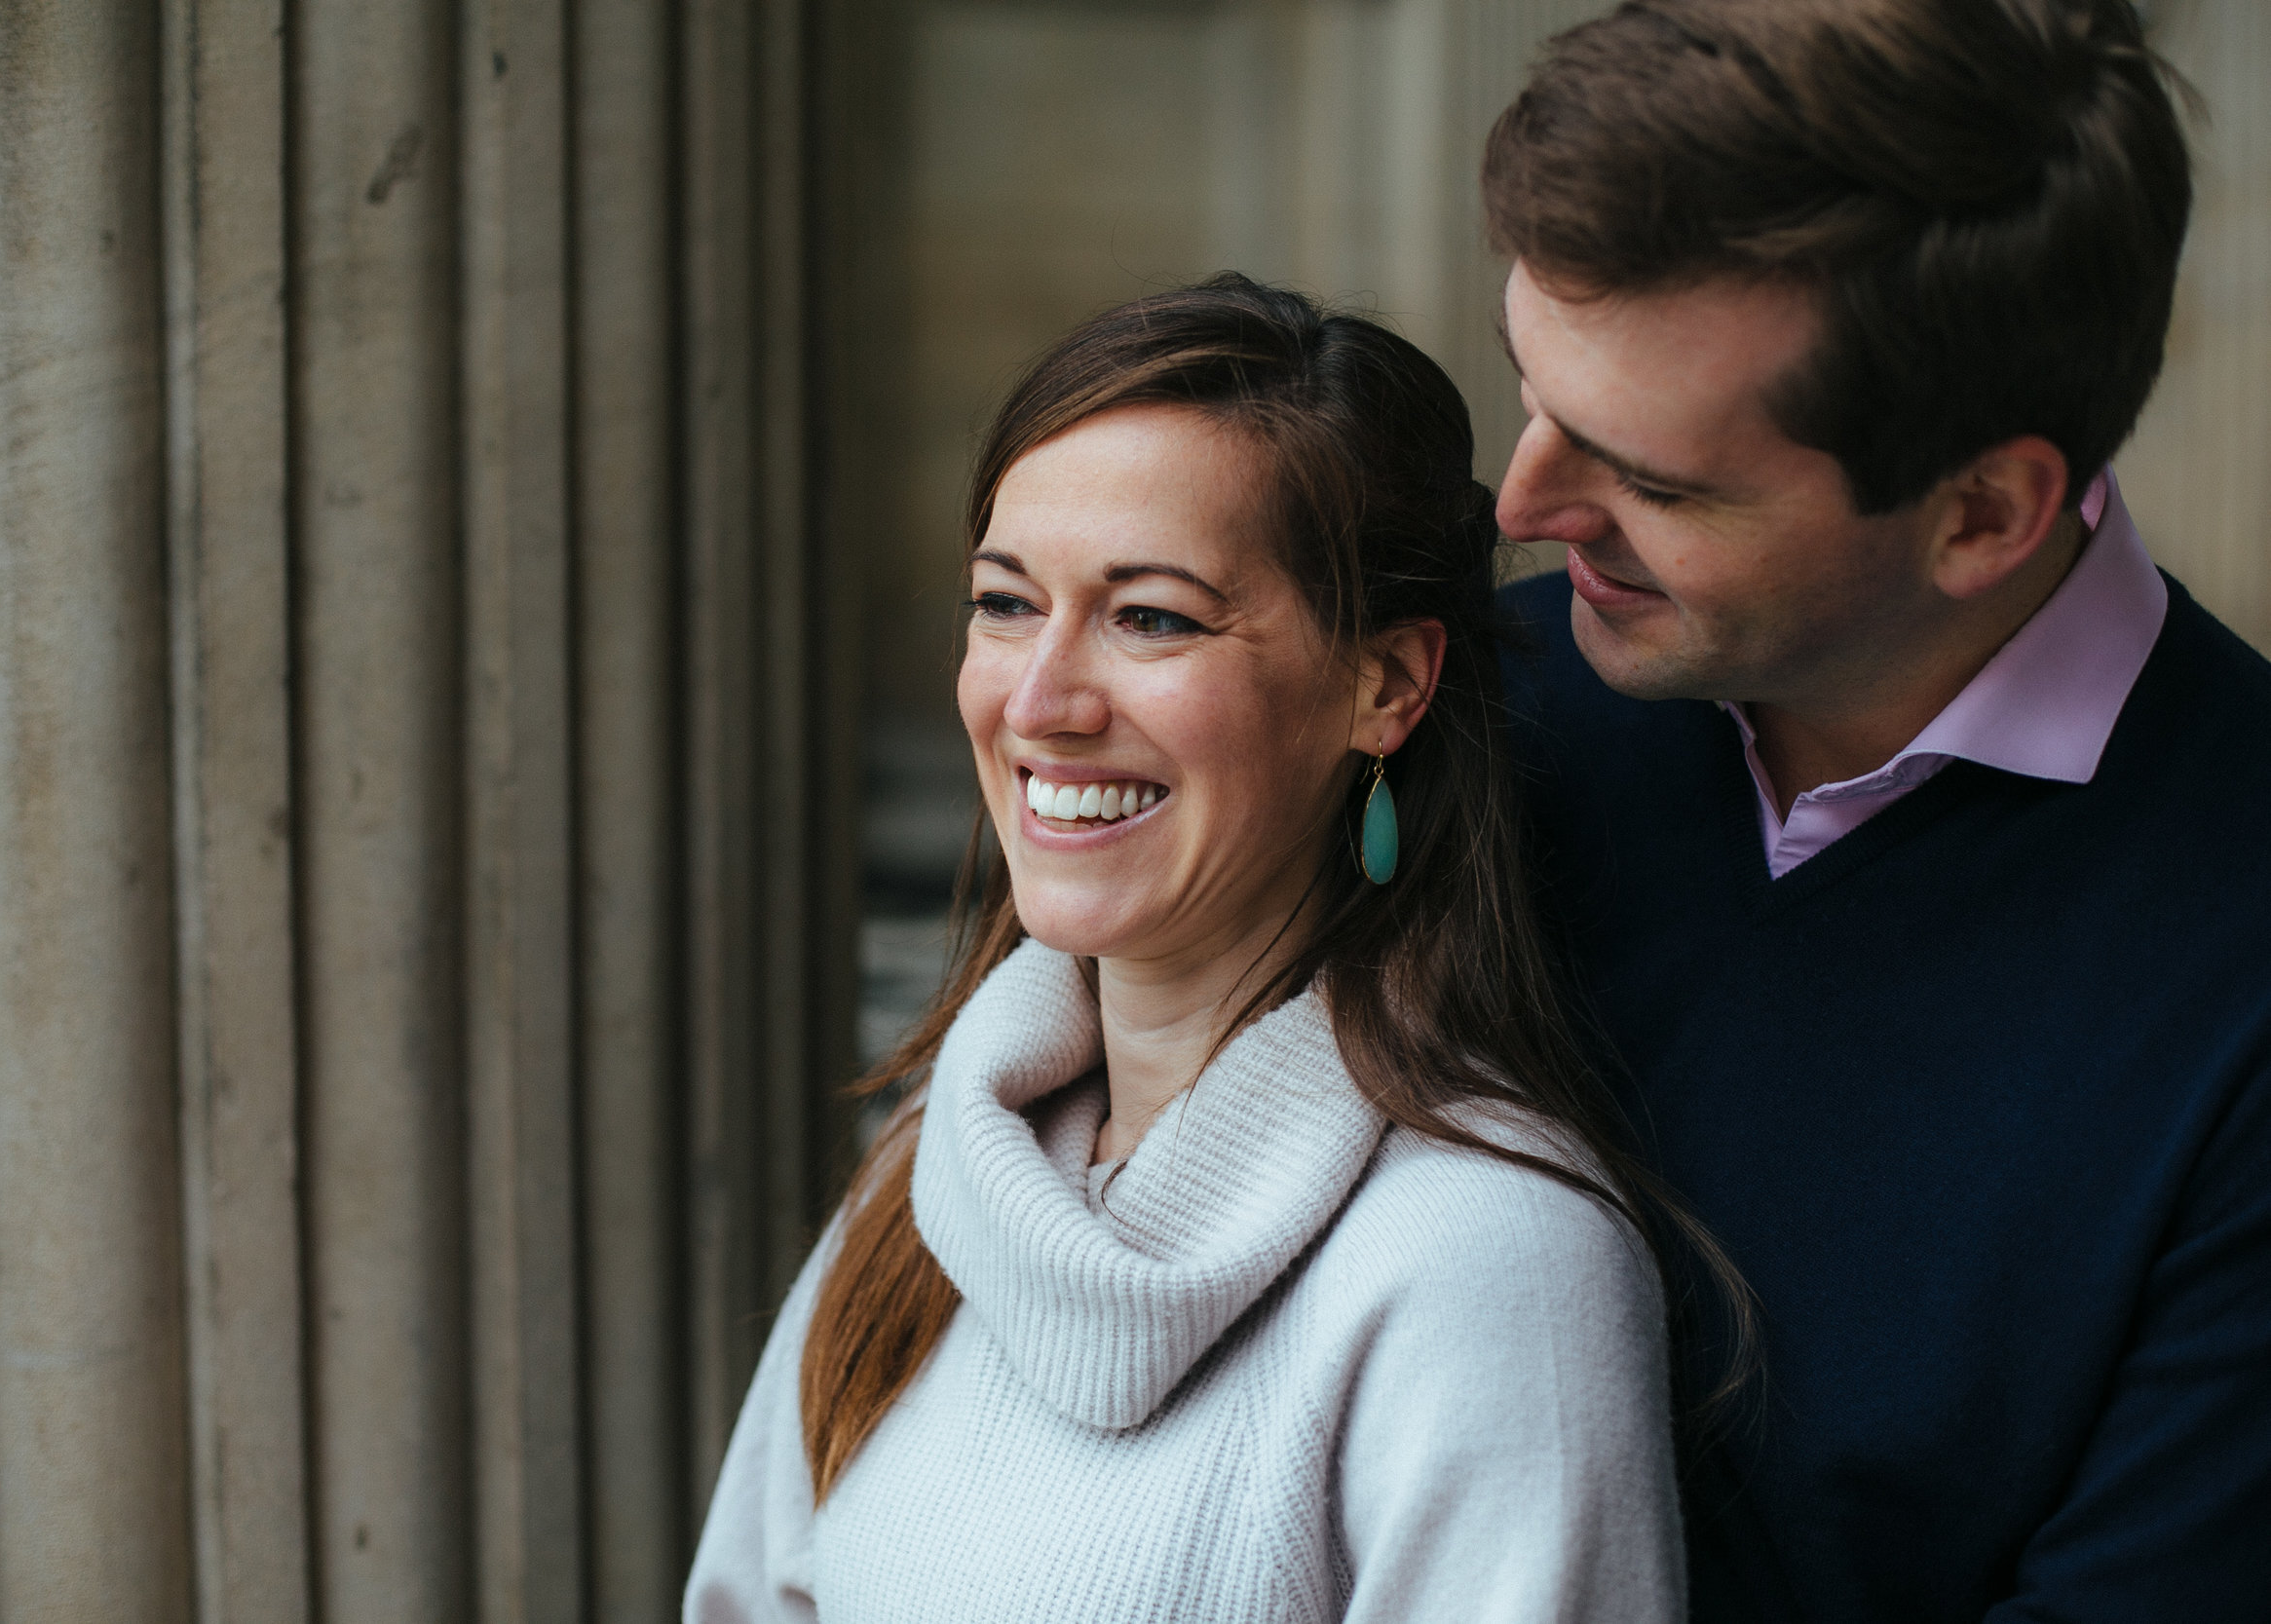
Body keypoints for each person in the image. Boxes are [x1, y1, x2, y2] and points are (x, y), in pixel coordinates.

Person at [684, 276, 1712, 1622]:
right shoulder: (934, 1162)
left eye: (1152, 616)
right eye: (1004, 603)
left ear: (1387, 685)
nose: (1041, 702)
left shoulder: (1488, 1266)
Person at [1481, 3, 2271, 1620]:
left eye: (1657, 480)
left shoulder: (2239, 964)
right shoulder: (1475, 706)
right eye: (1531, 389)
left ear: (1983, 512)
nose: (1523, 503)